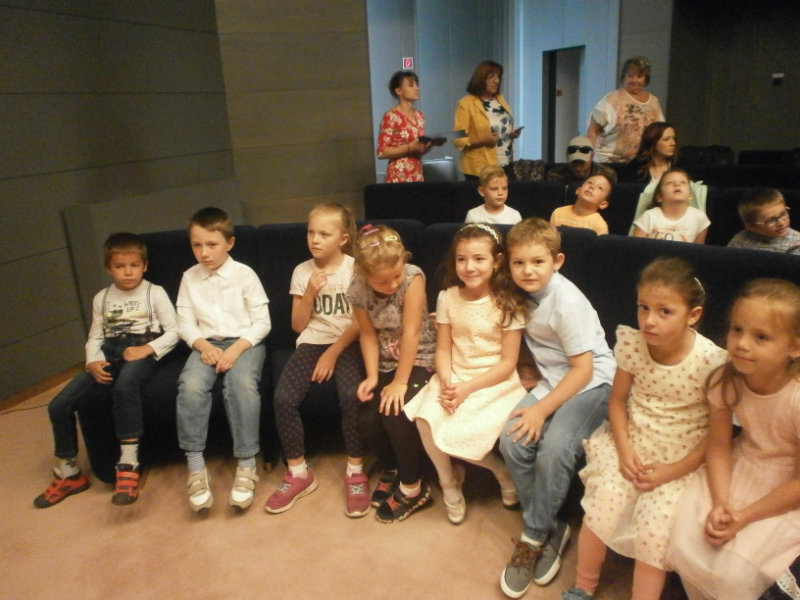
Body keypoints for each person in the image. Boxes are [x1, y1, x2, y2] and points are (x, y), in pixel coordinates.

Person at [562, 257, 727, 600]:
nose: (650, 320)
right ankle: (582, 587)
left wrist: (674, 470)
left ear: (692, 315)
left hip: (681, 457)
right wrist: (624, 451)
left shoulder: (711, 362)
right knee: (602, 507)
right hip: (632, 440)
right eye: (644, 308)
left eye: (665, 311)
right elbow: (617, 402)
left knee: (655, 531)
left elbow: (716, 434)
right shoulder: (633, 344)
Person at [498, 218, 615, 598]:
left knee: (555, 448)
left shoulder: (567, 302)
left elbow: (583, 369)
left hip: (593, 382)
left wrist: (540, 409)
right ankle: (554, 526)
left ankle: (533, 536)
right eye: (519, 263)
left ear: (557, 261)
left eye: (538, 262)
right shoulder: (520, 292)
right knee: (512, 440)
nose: (528, 271)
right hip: (554, 379)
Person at [666, 278, 800, 599]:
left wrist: (742, 517)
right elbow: (718, 447)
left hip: (784, 489)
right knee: (685, 538)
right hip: (740, 465)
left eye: (761, 337)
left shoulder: (796, 399)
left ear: (794, 348)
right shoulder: (726, 378)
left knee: (736, 573)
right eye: (737, 329)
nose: (741, 343)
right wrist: (721, 502)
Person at [34, 233, 179, 508]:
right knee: (59, 405)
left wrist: (147, 349)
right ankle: (69, 472)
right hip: (108, 353)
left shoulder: (154, 292)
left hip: (142, 350)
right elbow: (95, 337)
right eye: (120, 266)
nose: (128, 272)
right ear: (109, 268)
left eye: (134, 265)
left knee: (125, 387)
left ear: (144, 265)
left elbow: (174, 331)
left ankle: (129, 463)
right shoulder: (102, 298)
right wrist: (92, 361)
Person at [404, 223, 527, 524]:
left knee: (461, 431)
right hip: (455, 373)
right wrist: (447, 382)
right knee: (424, 419)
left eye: (479, 258)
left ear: (497, 261)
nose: (469, 267)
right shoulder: (447, 297)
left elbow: (508, 363)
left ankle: (501, 472)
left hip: (494, 380)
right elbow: (443, 348)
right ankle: (448, 483)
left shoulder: (508, 301)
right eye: (462, 259)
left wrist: (467, 389)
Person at [265, 203, 369, 518]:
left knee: (350, 395)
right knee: (283, 398)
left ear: (344, 239)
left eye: (325, 234)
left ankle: (355, 470)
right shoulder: (302, 271)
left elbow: (360, 323)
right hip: (312, 340)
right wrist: (309, 293)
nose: (315, 239)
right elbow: (298, 325)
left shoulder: (355, 269)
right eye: (311, 232)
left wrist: (333, 352)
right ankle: (299, 473)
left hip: (347, 341)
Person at [176, 207, 271, 513]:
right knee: (191, 386)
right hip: (205, 343)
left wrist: (236, 349)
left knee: (241, 385)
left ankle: (246, 463)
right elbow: (185, 324)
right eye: (197, 245)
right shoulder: (189, 278)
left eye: (211, 244)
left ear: (229, 243)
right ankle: (195, 466)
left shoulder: (245, 275)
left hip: (245, 342)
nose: (203, 253)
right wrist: (203, 345)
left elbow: (262, 322)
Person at [347, 224, 438, 523]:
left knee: (394, 411)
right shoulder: (357, 289)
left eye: (396, 276)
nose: (392, 284)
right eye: (383, 281)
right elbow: (367, 334)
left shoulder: (413, 278)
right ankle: (395, 467)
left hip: (421, 355)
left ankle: (414, 489)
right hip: (387, 359)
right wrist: (373, 376)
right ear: (364, 275)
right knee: (368, 419)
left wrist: (400, 382)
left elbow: (411, 332)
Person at [587, 56, 665, 164]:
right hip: (609, 163)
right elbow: (593, 130)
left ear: (646, 79)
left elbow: (660, 132)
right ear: (623, 77)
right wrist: (588, 157)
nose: (634, 80)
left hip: (642, 163)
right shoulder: (611, 99)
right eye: (630, 76)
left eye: (639, 76)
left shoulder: (654, 102)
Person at [454, 60, 523, 180]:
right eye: (492, 77)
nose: (496, 81)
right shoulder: (466, 104)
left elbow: (498, 127)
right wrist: (482, 141)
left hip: (505, 163)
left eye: (498, 77)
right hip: (480, 168)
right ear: (481, 79)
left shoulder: (500, 99)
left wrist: (510, 134)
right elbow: (458, 140)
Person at [376, 70, 433, 183]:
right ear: (399, 91)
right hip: (398, 175)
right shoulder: (391, 116)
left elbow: (417, 149)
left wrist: (427, 146)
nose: (417, 89)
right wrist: (409, 147)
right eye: (411, 85)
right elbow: (381, 152)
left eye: (416, 85)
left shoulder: (419, 116)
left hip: (416, 172)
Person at [632, 168, 710, 243]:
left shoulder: (699, 218)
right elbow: (636, 247)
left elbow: (698, 249)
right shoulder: (649, 217)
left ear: (690, 194)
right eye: (670, 183)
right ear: (660, 197)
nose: (677, 185)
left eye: (683, 182)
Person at [727, 188, 800, 254]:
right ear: (751, 226)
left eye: (783, 214)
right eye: (771, 220)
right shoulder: (739, 241)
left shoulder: (796, 243)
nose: (781, 223)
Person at [546, 136, 618, 185]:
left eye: (582, 163)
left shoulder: (607, 175)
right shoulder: (555, 175)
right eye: (574, 163)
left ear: (592, 157)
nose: (578, 167)